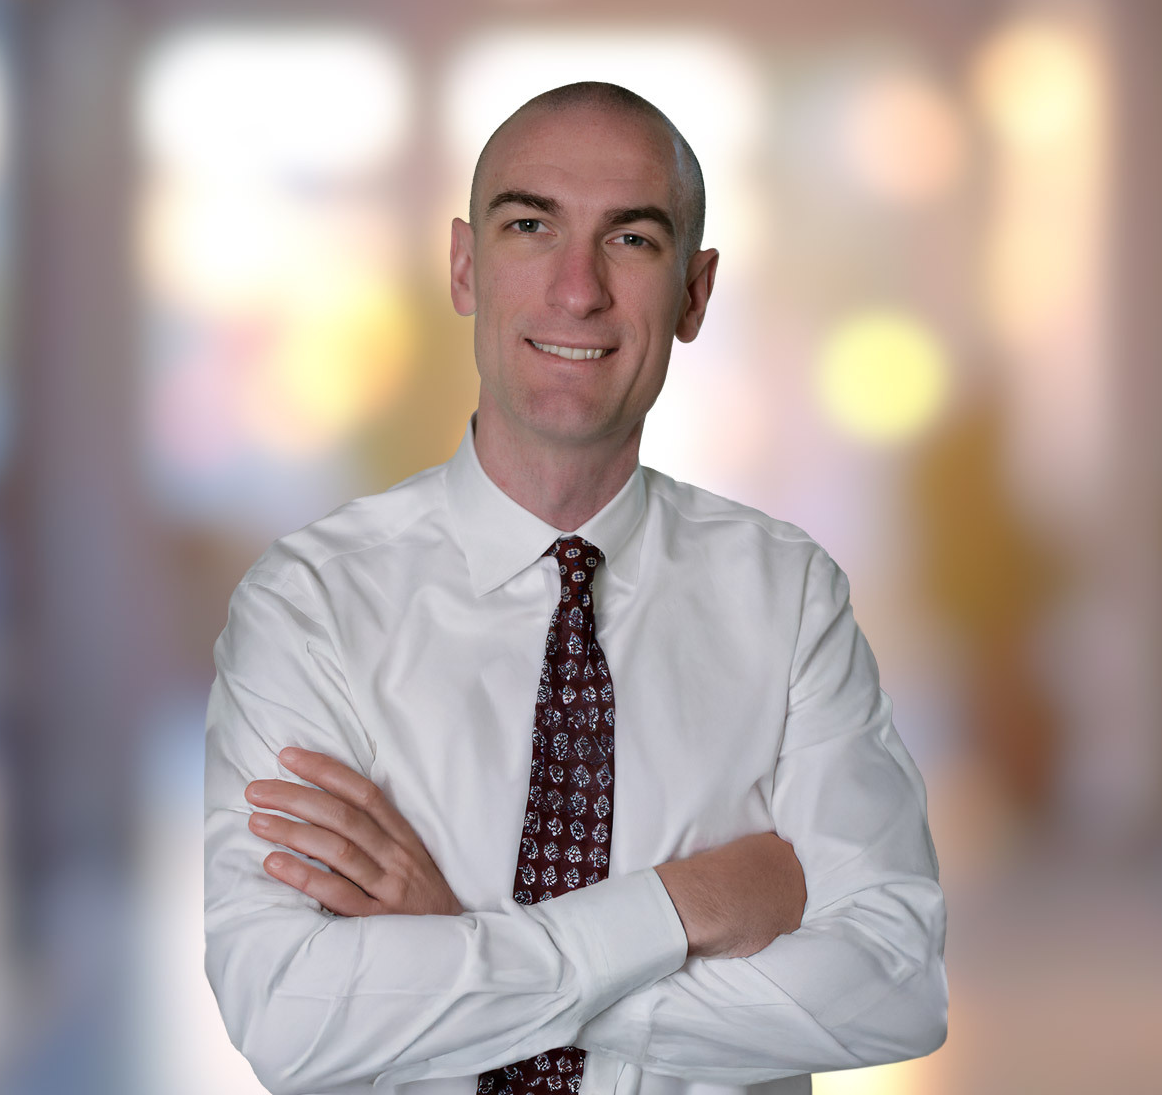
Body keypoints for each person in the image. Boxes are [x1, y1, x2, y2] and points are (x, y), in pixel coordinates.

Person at [201, 82, 948, 1095]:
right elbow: (288, 1015)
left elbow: (894, 983)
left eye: (632, 240)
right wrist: (679, 909)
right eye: (529, 227)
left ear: (694, 293)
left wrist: (461, 950)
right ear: (466, 266)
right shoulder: (311, 608)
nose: (577, 289)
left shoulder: (789, 600)